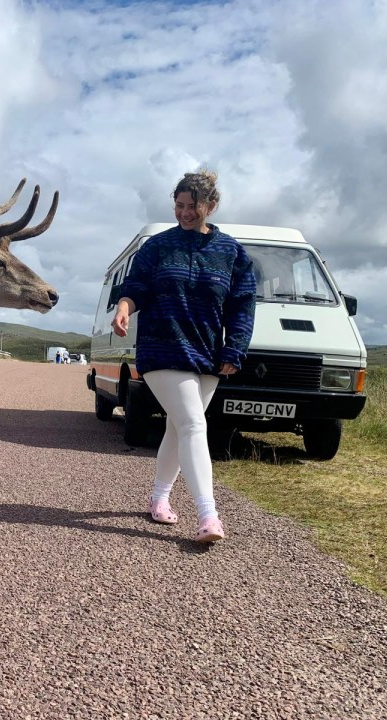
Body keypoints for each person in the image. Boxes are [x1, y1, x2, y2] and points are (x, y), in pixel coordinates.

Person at [111, 170, 256, 543]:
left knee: (179, 429)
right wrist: (125, 307)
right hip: (162, 347)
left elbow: (242, 305)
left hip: (207, 352)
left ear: (212, 205)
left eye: (193, 206)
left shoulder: (232, 253)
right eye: (179, 205)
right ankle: (209, 516)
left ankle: (159, 498)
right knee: (193, 424)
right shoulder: (157, 247)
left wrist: (235, 348)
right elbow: (135, 287)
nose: (185, 213)